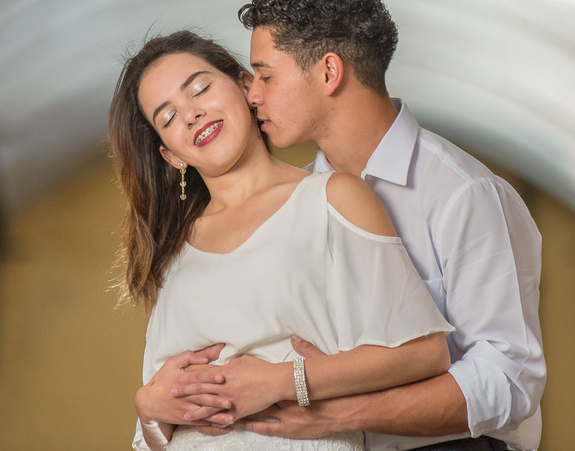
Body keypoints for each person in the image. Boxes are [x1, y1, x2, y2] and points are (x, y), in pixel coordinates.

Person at [145, 0, 545, 451]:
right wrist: (154, 403)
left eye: (266, 77)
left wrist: (323, 409)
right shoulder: (306, 199)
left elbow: (507, 381)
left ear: (329, 73)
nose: (252, 94)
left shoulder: (463, 193)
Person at [110, 30, 454, 451]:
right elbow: (153, 434)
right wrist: (148, 406)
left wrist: (281, 381)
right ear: (171, 155)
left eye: (199, 89)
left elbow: (424, 353)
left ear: (244, 87)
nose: (191, 114)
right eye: (167, 118)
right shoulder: (167, 255)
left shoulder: (334, 198)